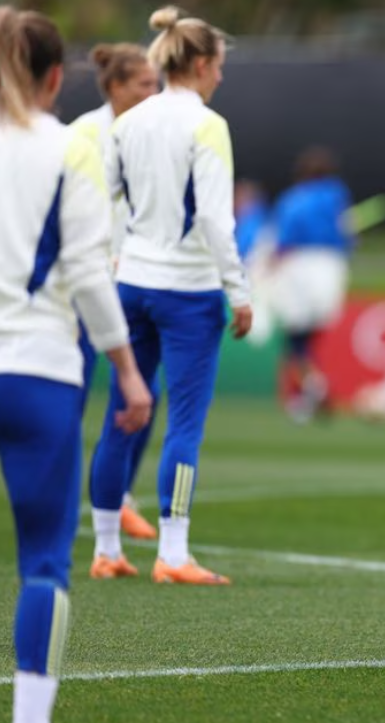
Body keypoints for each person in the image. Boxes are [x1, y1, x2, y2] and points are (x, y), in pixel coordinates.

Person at [0, 7, 152, 722]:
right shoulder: (68, 148)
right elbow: (90, 274)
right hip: (39, 369)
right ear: (56, 77)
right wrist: (125, 369)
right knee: (43, 564)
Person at [87, 4, 252, 585]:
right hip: (188, 291)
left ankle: (106, 548)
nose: (222, 77)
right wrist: (240, 291)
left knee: (121, 414)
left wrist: (111, 264)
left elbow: (104, 201)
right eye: (220, 65)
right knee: (183, 424)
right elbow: (214, 218)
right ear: (202, 63)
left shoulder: (127, 120)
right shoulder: (208, 125)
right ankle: (173, 553)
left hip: (130, 283)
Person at [72, 42, 160, 542]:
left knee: (143, 393)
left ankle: (118, 496)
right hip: (85, 279)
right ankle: (61, 498)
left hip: (134, 280)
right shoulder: (83, 132)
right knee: (74, 391)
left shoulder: (157, 131)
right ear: (115, 86)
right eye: (143, 84)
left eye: (155, 83)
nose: (152, 92)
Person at [267, 146, 354, 423]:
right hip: (333, 266)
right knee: (311, 336)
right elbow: (347, 235)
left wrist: (271, 264)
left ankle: (312, 388)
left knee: (295, 338)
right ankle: (307, 393)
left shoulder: (293, 198)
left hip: (301, 266)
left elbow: (286, 235)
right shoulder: (337, 195)